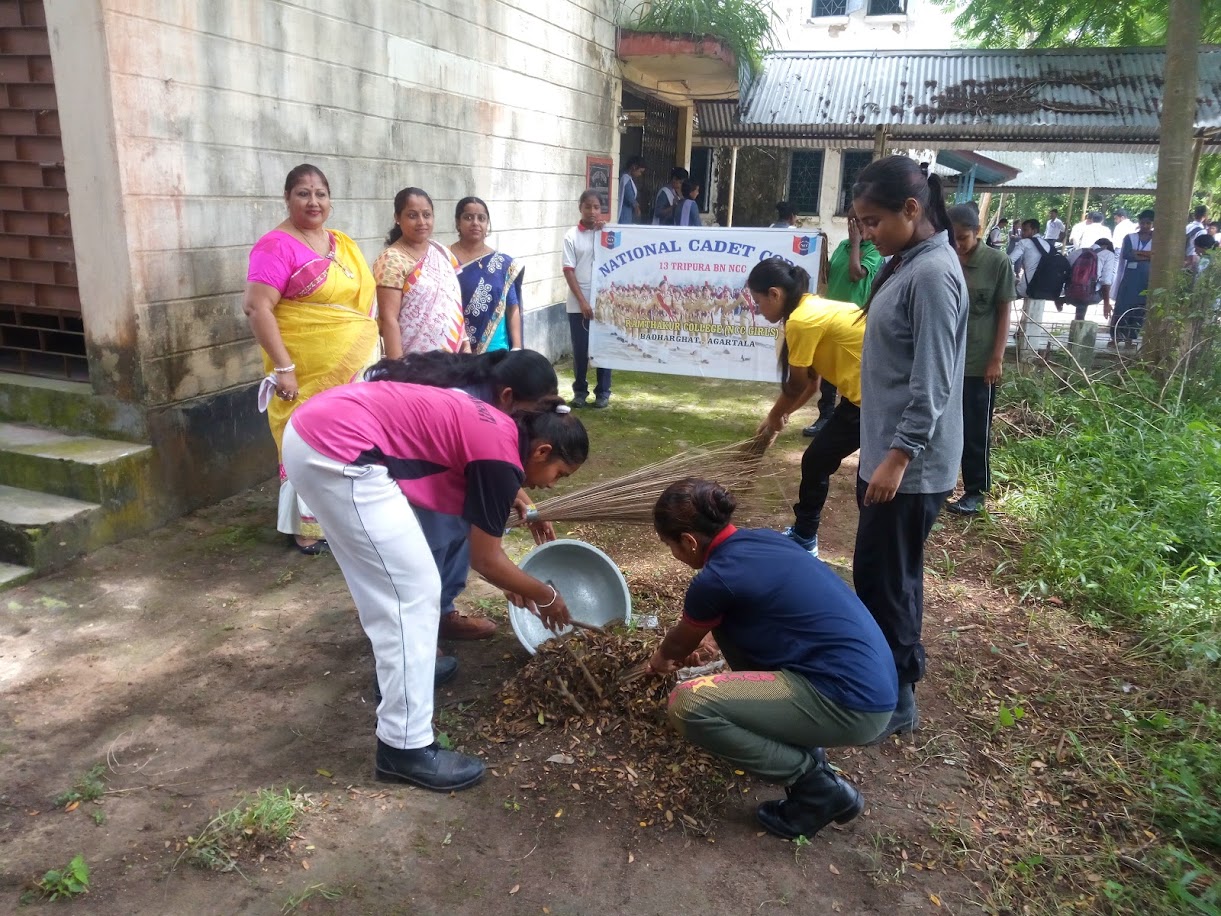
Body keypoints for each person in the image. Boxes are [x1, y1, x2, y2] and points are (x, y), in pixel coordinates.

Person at [283, 382, 587, 792]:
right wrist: (544, 594)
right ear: (542, 451)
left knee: (387, 585)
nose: (551, 485)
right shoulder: (499, 458)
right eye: (558, 474)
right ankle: (404, 748)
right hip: (340, 452)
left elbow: (487, 473)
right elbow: (486, 560)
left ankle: (407, 674)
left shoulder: (502, 427)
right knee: (413, 592)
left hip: (318, 430)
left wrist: (515, 496)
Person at [645, 478, 896, 840]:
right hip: (873, 683)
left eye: (670, 545)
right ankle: (800, 738)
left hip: (852, 703)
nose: (674, 554)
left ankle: (816, 787)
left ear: (689, 541)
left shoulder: (715, 580)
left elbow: (675, 648)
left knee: (688, 703)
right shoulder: (763, 540)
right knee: (726, 633)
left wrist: (659, 660)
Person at [850, 155, 968, 741]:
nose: (867, 235)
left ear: (912, 209)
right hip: (887, 457)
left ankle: (895, 697)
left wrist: (898, 457)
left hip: (909, 468)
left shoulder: (932, 275)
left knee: (886, 581)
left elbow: (934, 380)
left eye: (873, 222)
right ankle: (881, 681)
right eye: (861, 224)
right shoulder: (905, 263)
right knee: (882, 574)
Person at [374, 349, 560, 645]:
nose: (533, 426)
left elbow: (497, 461)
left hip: (445, 470)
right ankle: (410, 635)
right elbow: (485, 557)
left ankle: (441, 612)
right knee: (430, 544)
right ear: (508, 396)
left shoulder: (495, 403)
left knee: (463, 525)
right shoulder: (465, 402)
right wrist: (514, 581)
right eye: (532, 415)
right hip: (409, 470)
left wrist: (522, 495)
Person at [243, 164, 379, 555]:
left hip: (351, 371)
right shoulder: (275, 245)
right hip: (301, 373)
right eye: (303, 193)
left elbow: (360, 303)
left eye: (321, 193)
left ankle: (341, 519)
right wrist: (284, 368)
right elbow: (257, 308)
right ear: (287, 198)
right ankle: (305, 526)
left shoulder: (341, 243)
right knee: (307, 442)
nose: (313, 201)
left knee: (345, 441)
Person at [749, 258, 863, 557]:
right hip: (861, 398)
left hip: (874, 402)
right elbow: (812, 385)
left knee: (817, 461)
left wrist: (774, 418)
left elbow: (798, 386)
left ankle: (804, 537)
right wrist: (779, 417)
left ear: (775, 294)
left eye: (758, 302)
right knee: (817, 460)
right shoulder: (809, 307)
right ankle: (804, 534)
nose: (758, 311)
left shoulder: (801, 319)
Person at [945, 205, 1015, 517]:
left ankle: (975, 491)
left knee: (975, 429)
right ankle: (942, 483)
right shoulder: (944, 258)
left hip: (978, 364)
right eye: (953, 238)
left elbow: (1003, 313)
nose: (958, 244)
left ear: (979, 231)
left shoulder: (996, 262)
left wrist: (996, 359)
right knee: (943, 427)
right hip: (947, 361)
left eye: (963, 238)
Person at [802, 209, 882, 438]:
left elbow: (856, 274)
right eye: (851, 222)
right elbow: (828, 273)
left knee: (850, 371)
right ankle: (825, 416)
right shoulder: (843, 246)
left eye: (857, 222)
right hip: (830, 316)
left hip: (854, 320)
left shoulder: (873, 251)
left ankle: (848, 421)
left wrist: (856, 243)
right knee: (827, 369)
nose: (853, 226)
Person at [373, 187, 468, 359]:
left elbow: (453, 304)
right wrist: (398, 370)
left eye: (427, 215)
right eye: (412, 215)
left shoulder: (442, 252)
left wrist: (466, 345)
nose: (421, 222)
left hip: (453, 361)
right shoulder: (391, 259)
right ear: (397, 218)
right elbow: (389, 320)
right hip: (413, 363)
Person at [450, 197, 523, 354]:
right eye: (468, 217)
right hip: (455, 346)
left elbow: (512, 307)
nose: (475, 223)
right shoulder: (444, 258)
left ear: (487, 223)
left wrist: (517, 347)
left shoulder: (502, 263)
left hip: (495, 348)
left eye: (481, 218)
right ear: (458, 222)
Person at [563, 190, 612, 408]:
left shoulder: (607, 234)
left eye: (596, 207)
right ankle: (580, 392)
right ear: (580, 207)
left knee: (604, 348)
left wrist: (606, 231)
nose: (592, 211)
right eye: (588, 206)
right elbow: (568, 271)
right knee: (581, 351)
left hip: (603, 304)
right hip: (577, 304)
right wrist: (582, 302)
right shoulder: (571, 236)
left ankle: (603, 392)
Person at [1111, 209, 1154, 347]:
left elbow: (1156, 255)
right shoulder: (1130, 237)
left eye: (1148, 223)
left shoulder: (1158, 239)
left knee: (1139, 308)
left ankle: (1130, 339)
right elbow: (1128, 255)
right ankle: (1116, 337)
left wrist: (1139, 253)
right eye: (1143, 223)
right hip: (1130, 278)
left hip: (1146, 279)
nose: (1145, 226)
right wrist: (1147, 255)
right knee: (1122, 306)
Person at [1062, 237, 1117, 322]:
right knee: (1099, 288)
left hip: (1070, 293)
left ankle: (1066, 303)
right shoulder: (1108, 254)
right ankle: (1080, 322)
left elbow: (1064, 271)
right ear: (1106, 247)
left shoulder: (1078, 252)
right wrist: (1106, 303)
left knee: (1081, 295)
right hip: (1090, 296)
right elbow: (1106, 281)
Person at [618, 156, 646, 224]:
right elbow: (629, 196)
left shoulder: (628, 178)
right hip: (624, 212)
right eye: (640, 171)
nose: (640, 174)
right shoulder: (625, 178)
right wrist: (636, 206)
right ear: (634, 167)